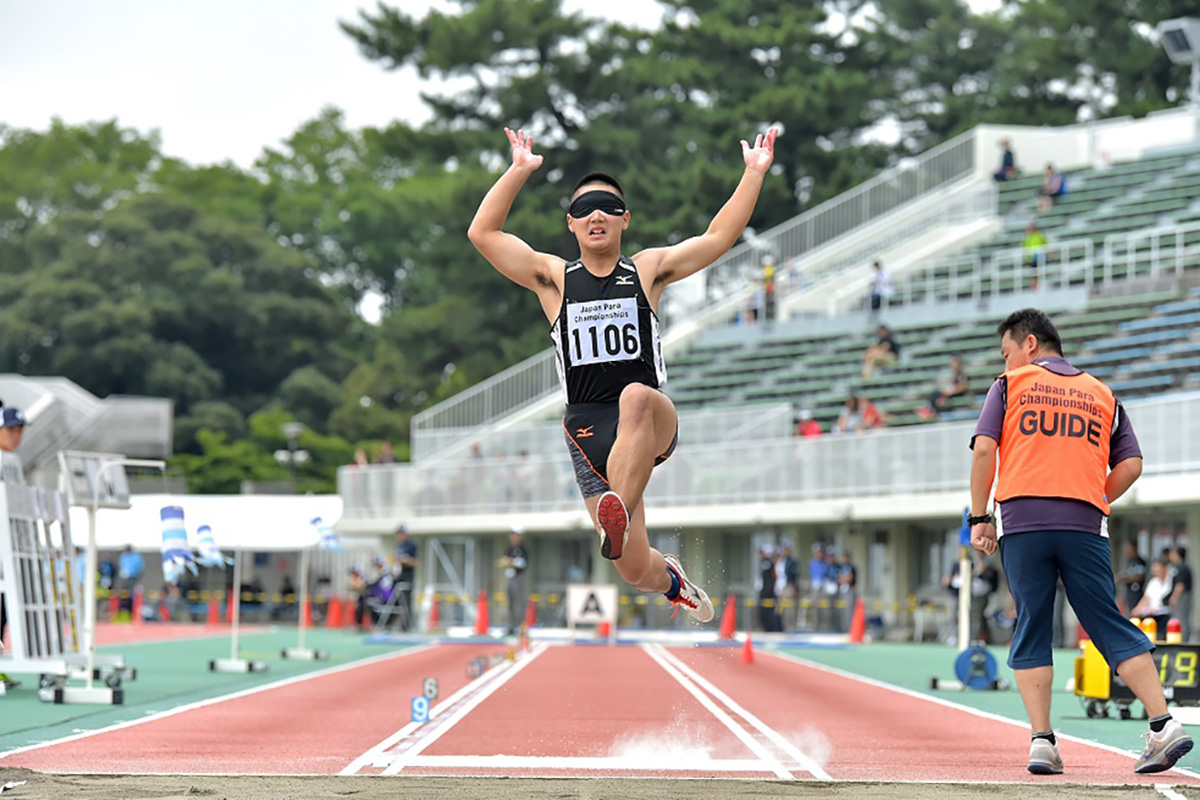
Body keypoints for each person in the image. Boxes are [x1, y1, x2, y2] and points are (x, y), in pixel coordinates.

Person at [467, 126, 780, 623]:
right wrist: (519, 170)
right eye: (586, 207)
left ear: (625, 220)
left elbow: (718, 238)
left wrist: (752, 174)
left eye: (609, 207)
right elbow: (483, 234)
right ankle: (672, 579)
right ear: (570, 223)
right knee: (633, 569)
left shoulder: (647, 270)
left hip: (649, 416)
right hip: (588, 429)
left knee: (634, 394)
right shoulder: (553, 279)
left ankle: (617, 511)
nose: (597, 215)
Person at [969, 307, 1192, 774]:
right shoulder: (1102, 393)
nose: (1006, 362)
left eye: (1007, 352)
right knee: (1107, 621)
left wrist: (980, 517)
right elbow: (1131, 464)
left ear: (1029, 345)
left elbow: (986, 448)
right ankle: (1163, 724)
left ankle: (1043, 743)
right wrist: (1093, 498)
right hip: (1085, 522)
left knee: (1032, 623)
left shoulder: (1010, 385)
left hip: (1023, 518)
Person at [0, 407, 28, 685]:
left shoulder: (12, 463)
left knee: (5, 607)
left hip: (10, 548)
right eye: (11, 429)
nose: (17, 435)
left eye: (20, 429)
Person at [500, 526, 529, 635]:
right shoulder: (509, 548)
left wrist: (512, 562)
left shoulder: (523, 549)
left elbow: (524, 563)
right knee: (510, 603)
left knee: (520, 603)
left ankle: (522, 627)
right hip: (509, 577)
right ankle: (510, 627)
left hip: (519, 578)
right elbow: (504, 560)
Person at [1132, 559, 1174, 635]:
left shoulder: (1171, 580)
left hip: (1164, 612)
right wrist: (1137, 609)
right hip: (1151, 613)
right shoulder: (1153, 582)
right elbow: (1146, 598)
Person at [393, 525, 418, 631]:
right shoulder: (399, 546)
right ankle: (396, 624)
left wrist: (406, 561)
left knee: (407, 601)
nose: (400, 536)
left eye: (401, 533)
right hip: (399, 575)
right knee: (396, 600)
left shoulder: (411, 546)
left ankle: (408, 625)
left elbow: (415, 562)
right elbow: (396, 560)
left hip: (408, 576)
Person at [1167, 546, 1192, 641]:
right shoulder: (1177, 567)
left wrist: (1174, 598)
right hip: (1180, 597)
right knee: (1177, 619)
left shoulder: (1182, 567)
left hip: (1182, 597)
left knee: (1181, 619)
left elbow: (1180, 585)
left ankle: (1183, 640)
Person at [1116, 540, 1147, 615]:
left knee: (1137, 613)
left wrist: (1125, 578)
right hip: (1129, 593)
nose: (1127, 551)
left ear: (1134, 548)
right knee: (1130, 613)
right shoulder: (1130, 562)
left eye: (1128, 548)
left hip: (1137, 592)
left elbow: (1139, 577)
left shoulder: (1139, 561)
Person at [756, 545, 780, 632]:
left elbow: (770, 580)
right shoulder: (763, 563)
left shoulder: (768, 563)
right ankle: (766, 628)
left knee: (769, 612)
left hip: (768, 593)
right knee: (763, 612)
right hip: (765, 592)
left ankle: (771, 628)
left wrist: (767, 592)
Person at [116, 544, 144, 617]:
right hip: (124, 577)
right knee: (124, 592)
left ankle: (130, 609)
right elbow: (121, 565)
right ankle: (123, 608)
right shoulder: (123, 556)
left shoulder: (136, 557)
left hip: (133, 577)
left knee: (131, 592)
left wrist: (135, 574)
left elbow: (139, 566)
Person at [837, 549, 858, 633]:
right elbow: (838, 578)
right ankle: (842, 628)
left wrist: (845, 578)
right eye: (844, 556)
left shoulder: (852, 567)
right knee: (841, 611)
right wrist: (844, 578)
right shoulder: (840, 567)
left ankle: (850, 629)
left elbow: (852, 579)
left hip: (850, 589)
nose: (846, 558)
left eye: (847, 556)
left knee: (849, 611)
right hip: (842, 589)